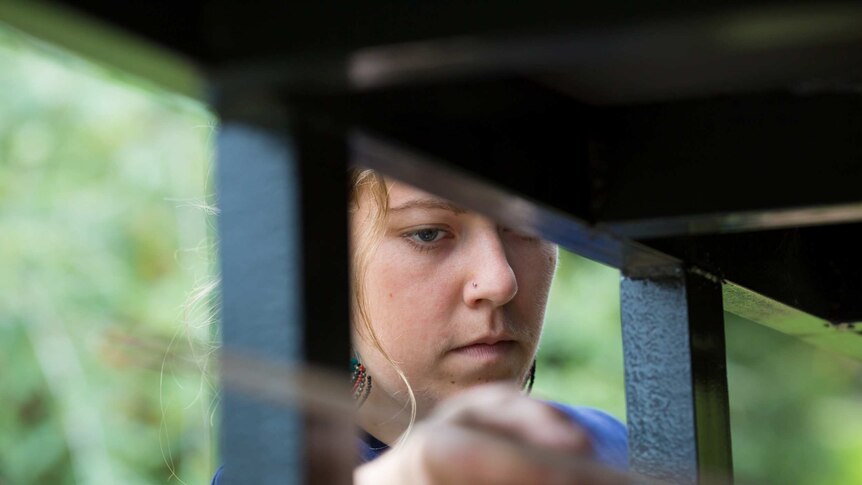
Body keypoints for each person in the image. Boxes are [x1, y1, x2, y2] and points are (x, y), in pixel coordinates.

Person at [213, 168, 628, 484]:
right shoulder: (269, 472)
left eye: (527, 227)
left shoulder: (616, 448)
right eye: (428, 233)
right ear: (321, 264)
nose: (500, 281)